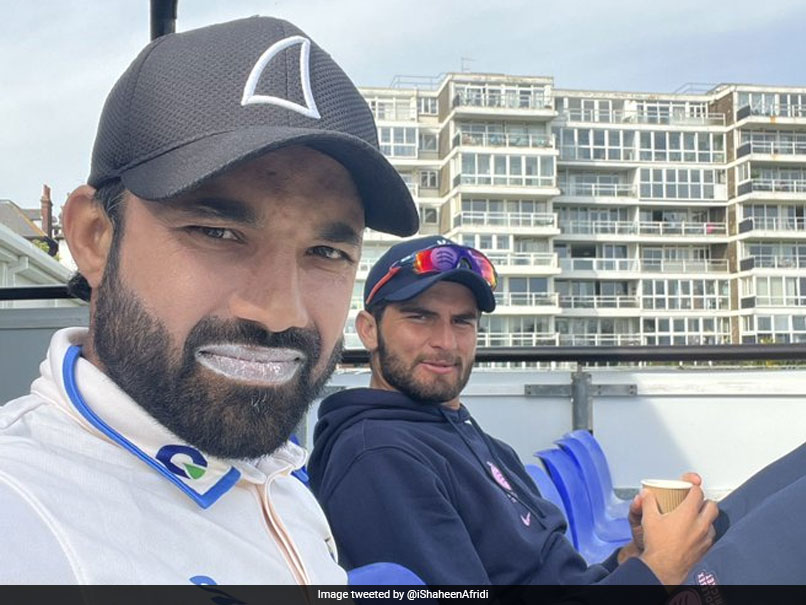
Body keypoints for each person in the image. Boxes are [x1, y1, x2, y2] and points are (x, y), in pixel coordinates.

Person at [0, 16, 418, 584]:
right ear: (95, 238)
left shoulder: (280, 476)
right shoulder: (22, 513)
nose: (280, 312)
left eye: (325, 251)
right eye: (216, 233)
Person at [308, 236, 718, 586]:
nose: (446, 342)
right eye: (421, 317)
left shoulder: (475, 440)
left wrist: (632, 559)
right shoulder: (379, 458)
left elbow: (552, 579)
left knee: (750, 511)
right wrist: (658, 574)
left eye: (463, 322)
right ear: (367, 330)